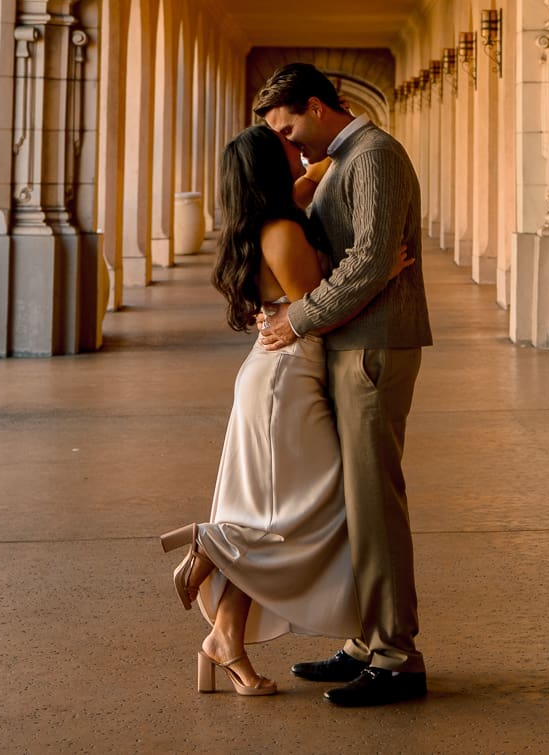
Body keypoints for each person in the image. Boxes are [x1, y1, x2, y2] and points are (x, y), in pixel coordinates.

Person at [160, 125, 363, 696]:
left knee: (268, 511)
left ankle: (226, 639)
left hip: (274, 374)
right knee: (306, 510)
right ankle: (212, 543)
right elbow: (322, 308)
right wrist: (384, 274)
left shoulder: (263, 219)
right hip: (287, 379)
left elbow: (310, 181)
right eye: (287, 154)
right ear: (270, 171)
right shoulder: (281, 233)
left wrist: (331, 161)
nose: (299, 156)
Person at [257, 61, 433, 707]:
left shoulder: (375, 154)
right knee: (352, 505)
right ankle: (366, 639)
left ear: (318, 104)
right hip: (350, 341)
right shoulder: (341, 158)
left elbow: (370, 260)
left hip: (375, 347)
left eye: (291, 125)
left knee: (375, 504)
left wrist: (297, 319)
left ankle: (395, 656)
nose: (292, 141)